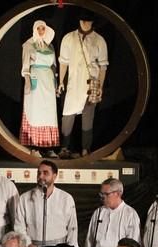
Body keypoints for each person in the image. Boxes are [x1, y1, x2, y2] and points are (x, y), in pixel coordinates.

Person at [56, 11, 108, 158]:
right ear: (79, 21)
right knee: (68, 115)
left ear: (92, 22)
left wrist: (100, 87)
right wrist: (60, 81)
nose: (86, 23)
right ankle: (65, 147)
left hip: (91, 82)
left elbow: (103, 66)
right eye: (83, 20)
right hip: (73, 83)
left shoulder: (99, 40)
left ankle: (86, 148)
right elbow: (63, 62)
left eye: (89, 21)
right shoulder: (69, 38)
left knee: (88, 116)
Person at [15, 159, 79, 247]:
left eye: (45, 173)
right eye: (39, 173)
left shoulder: (66, 198)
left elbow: (72, 228)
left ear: (54, 176)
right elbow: (19, 226)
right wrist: (28, 244)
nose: (40, 176)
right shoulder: (24, 198)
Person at [20, 20, 60, 158]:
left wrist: (56, 83)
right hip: (35, 78)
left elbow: (54, 66)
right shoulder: (29, 44)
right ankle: (34, 146)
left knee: (49, 114)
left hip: (48, 81)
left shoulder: (50, 46)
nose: (41, 31)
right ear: (34, 29)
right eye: (39, 28)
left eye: (43, 28)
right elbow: (25, 65)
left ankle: (49, 147)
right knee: (35, 112)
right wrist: (27, 81)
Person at [83, 178, 140, 247]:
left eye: (106, 194)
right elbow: (89, 239)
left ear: (118, 193)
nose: (102, 197)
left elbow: (133, 244)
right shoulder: (99, 212)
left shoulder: (130, 214)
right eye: (101, 194)